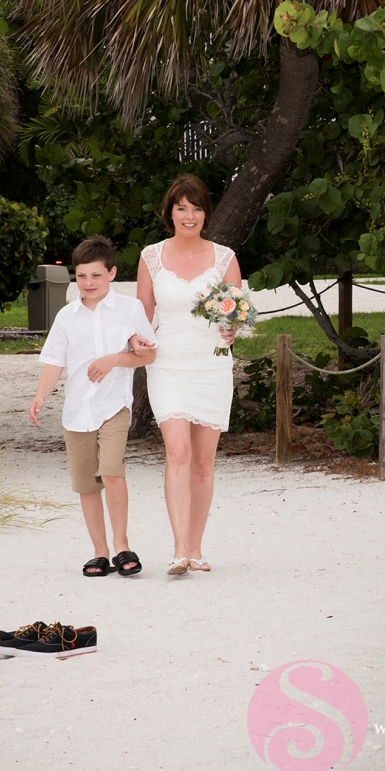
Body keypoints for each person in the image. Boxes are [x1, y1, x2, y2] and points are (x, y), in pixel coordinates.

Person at [29, 235, 157, 578]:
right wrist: (41, 395)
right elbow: (55, 361)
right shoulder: (67, 316)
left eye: (96, 276)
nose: (88, 283)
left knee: (112, 471)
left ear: (112, 273)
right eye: (82, 276)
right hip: (77, 412)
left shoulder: (130, 309)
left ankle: (121, 545)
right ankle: (99, 551)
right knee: (87, 485)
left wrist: (115, 358)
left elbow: (150, 353)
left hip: (114, 406)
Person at [135, 175, 241, 575]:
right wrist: (134, 339)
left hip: (211, 364)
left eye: (196, 208)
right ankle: (179, 549)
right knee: (177, 452)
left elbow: (237, 311)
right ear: (170, 213)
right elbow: (142, 314)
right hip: (168, 364)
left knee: (203, 462)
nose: (189, 215)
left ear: (205, 214)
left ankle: (196, 548)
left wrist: (232, 329)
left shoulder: (225, 258)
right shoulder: (151, 257)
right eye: (181, 207)